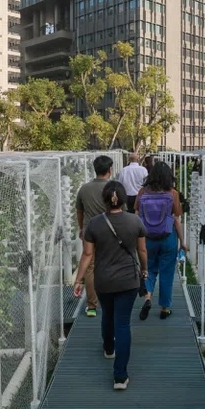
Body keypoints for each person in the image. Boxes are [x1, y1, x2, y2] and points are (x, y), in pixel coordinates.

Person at [74, 182, 148, 390]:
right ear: (124, 200)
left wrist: (79, 280)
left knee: (107, 314)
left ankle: (108, 347)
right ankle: (120, 376)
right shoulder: (135, 221)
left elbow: (88, 255)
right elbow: (142, 251)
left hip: (103, 280)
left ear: (104, 200)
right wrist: (144, 270)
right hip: (128, 280)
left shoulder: (94, 225)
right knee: (123, 323)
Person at [135, 161, 187, 320]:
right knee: (167, 273)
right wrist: (182, 242)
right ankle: (165, 308)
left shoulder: (143, 192)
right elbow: (177, 219)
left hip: (147, 237)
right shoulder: (173, 193)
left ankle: (148, 297)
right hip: (168, 237)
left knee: (148, 268)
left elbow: (136, 215)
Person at [75, 155, 119, 318]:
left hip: (90, 232)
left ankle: (92, 305)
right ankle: (112, 301)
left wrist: (82, 228)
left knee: (91, 267)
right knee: (111, 264)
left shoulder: (84, 188)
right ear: (110, 170)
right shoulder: (114, 188)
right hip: (111, 231)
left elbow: (79, 211)